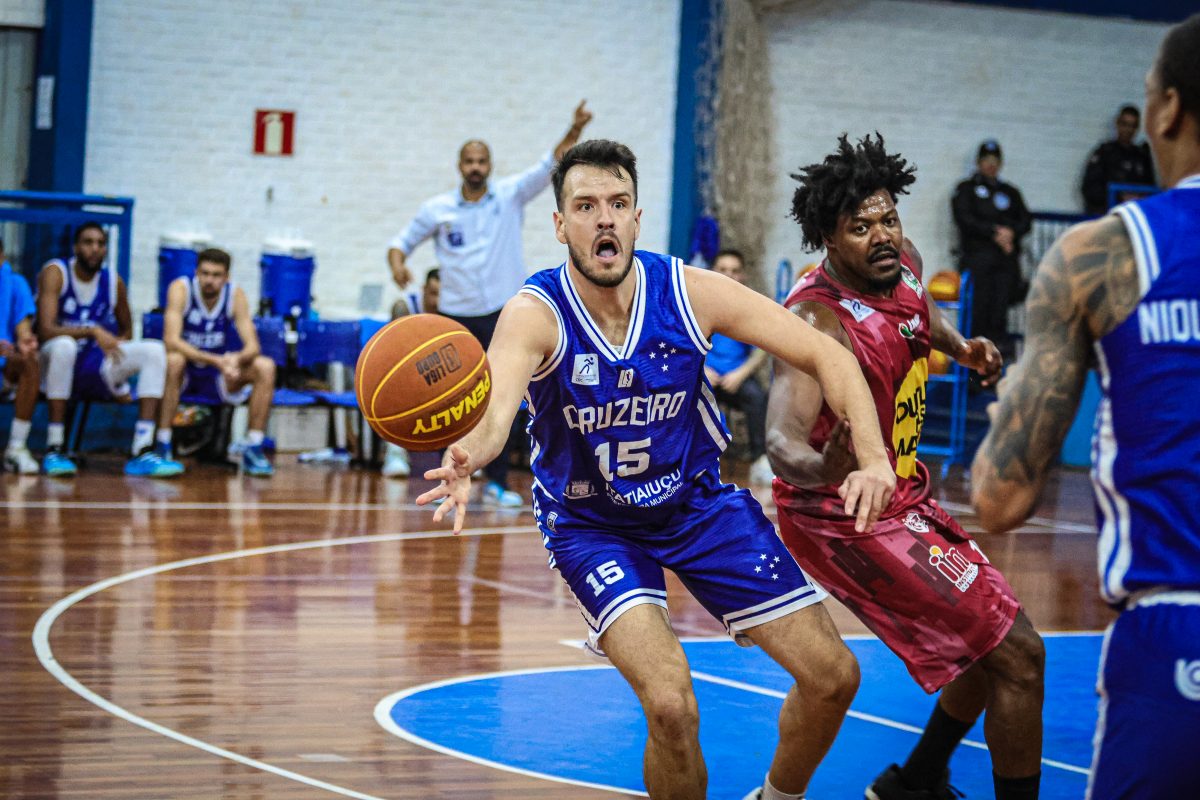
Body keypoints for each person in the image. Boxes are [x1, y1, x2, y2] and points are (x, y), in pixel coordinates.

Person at [418, 139, 897, 800]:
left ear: (637, 218)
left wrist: (874, 460)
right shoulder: (534, 312)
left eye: (618, 203)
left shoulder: (687, 292)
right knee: (671, 705)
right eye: (585, 206)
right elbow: (497, 408)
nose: (604, 218)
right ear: (559, 225)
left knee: (835, 676)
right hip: (593, 526)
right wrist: (470, 451)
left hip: (695, 506)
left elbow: (827, 354)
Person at [769, 133, 1045, 800]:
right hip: (840, 513)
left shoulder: (906, 261)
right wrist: (825, 464)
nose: (882, 236)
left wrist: (964, 346)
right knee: (1019, 656)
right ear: (829, 240)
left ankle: (914, 782)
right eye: (860, 228)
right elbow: (779, 440)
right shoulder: (816, 320)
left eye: (888, 219)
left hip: (901, 490)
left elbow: (921, 313)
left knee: (987, 647)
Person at [972, 15, 1200, 798]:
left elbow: (999, 499)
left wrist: (1008, 412)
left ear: (1168, 109)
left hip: (1178, 632)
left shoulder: (1100, 254)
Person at [387, 101, 593, 507]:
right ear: (459, 166)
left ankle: (497, 483)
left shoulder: (509, 196)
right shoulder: (439, 209)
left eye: (482, 161)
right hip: (454, 318)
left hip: (503, 314)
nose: (476, 167)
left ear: (490, 165)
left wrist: (574, 129)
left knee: (505, 397)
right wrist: (397, 265)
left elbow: (550, 164)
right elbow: (400, 243)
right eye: (469, 161)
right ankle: (446, 477)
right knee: (447, 400)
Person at [35, 222, 183, 478]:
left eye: (100, 244)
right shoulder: (56, 272)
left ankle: (142, 449)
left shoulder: (114, 282)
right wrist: (92, 331)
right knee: (64, 346)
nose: (95, 249)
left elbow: (126, 331)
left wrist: (118, 369)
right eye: (88, 242)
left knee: (154, 350)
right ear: (75, 247)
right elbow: (45, 330)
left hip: (93, 365)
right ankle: (54, 447)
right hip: (50, 365)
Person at [160, 247, 276, 477]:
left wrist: (235, 359)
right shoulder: (180, 289)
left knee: (265, 366)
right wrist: (215, 360)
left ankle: (253, 447)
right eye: (204, 273)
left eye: (216, 275)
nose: (209, 280)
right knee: (174, 360)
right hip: (186, 372)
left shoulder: (235, 295)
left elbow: (253, 347)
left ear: (226, 277)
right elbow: (171, 341)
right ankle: (162, 444)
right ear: (196, 272)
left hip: (217, 375)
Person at [951, 140, 1032, 360]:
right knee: (978, 314)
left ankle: (997, 363)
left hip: (1005, 265)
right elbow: (964, 218)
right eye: (986, 160)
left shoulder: (1010, 192)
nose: (991, 164)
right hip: (978, 263)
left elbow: (1025, 220)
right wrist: (994, 232)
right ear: (978, 162)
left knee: (1000, 315)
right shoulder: (966, 189)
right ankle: (975, 366)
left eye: (995, 160)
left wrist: (1011, 233)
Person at [705, 249, 773, 484]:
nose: (729, 275)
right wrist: (701, 368)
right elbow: (682, 342)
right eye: (723, 270)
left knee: (758, 398)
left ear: (742, 275)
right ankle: (689, 462)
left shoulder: (750, 306)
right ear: (712, 271)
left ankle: (760, 461)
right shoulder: (698, 303)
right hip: (704, 376)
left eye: (735, 271)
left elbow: (763, 347)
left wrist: (741, 373)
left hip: (736, 378)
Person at [381, 268, 441, 479]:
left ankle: (463, 456)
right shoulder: (404, 306)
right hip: (408, 372)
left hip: (440, 373)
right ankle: (395, 455)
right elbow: (398, 351)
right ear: (424, 289)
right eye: (433, 293)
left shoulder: (454, 308)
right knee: (394, 386)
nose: (436, 301)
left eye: (441, 295)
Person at [0, 238, 40, 474]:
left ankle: (16, 447)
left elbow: (23, 327)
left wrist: (25, 341)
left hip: (4, 371)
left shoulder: (15, 284)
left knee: (29, 362)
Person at [1081, 105, 1157, 215]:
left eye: (1133, 126)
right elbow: (1090, 189)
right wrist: (1119, 197)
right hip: (1107, 215)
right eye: (1125, 124)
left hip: (1133, 216)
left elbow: (1151, 190)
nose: (1128, 130)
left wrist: (1137, 197)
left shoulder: (1141, 157)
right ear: (1117, 123)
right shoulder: (1105, 153)